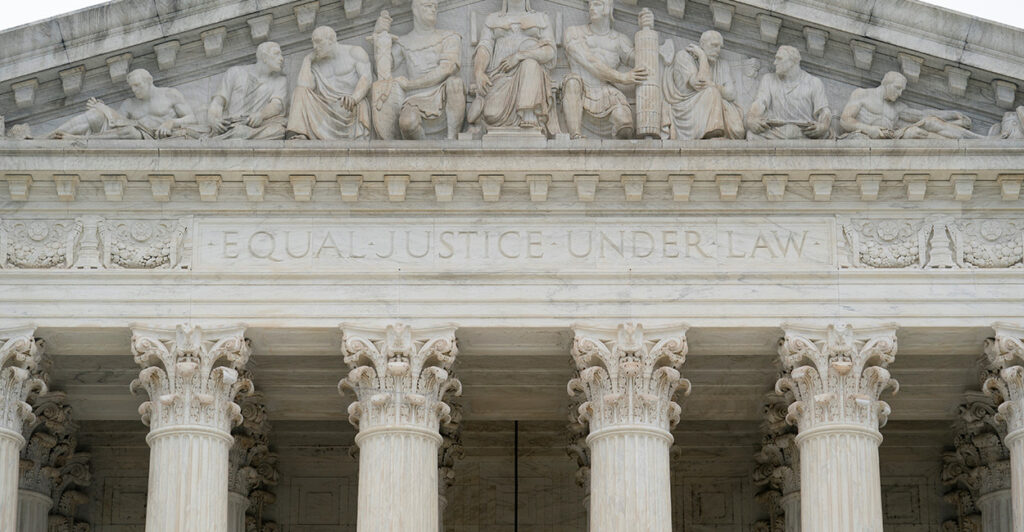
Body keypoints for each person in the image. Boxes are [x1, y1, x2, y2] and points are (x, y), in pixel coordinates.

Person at [371, 0, 466, 140]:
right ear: (415, 10)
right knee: (407, 122)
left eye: (435, 7)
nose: (433, 10)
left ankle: (452, 141)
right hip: (415, 98)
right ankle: (421, 154)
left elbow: (447, 68)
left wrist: (410, 84)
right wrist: (380, 36)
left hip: (442, 93)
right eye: (428, 6)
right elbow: (382, 70)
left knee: (455, 83)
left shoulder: (450, 37)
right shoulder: (404, 42)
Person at [468, 0, 558, 136]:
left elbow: (550, 51)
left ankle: (529, 115)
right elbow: (484, 47)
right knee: (491, 114)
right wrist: (479, 72)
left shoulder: (541, 18)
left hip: (531, 78)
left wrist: (519, 56)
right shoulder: (492, 19)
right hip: (499, 77)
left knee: (530, 64)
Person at [561, 0, 649, 139]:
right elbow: (590, 62)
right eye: (590, 4)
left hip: (607, 92)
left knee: (625, 125)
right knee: (572, 82)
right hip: (580, 90)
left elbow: (643, 61)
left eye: (597, 4)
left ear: (608, 7)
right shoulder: (574, 33)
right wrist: (623, 77)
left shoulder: (619, 40)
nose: (591, 8)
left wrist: (647, 29)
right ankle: (575, 136)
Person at [48, 69, 201, 139]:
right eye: (132, 87)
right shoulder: (130, 104)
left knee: (129, 132)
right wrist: (103, 109)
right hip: (136, 131)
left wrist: (171, 123)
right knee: (95, 115)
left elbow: (192, 118)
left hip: (152, 135)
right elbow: (116, 122)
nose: (134, 90)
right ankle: (50, 137)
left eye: (138, 85)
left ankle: (80, 139)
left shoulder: (170, 94)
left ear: (149, 81)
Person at [840, 71, 984, 140]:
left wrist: (952, 114)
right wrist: (869, 129)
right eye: (897, 88)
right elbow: (845, 119)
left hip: (893, 136)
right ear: (886, 83)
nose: (900, 93)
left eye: (902, 90)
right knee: (915, 133)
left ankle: (977, 140)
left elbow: (923, 114)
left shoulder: (896, 107)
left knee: (931, 122)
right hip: (868, 136)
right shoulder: (862, 94)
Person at [286, 26, 372, 140]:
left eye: (318, 42)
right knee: (299, 91)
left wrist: (354, 98)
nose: (314, 47)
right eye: (313, 43)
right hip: (324, 108)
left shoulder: (354, 52)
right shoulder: (316, 63)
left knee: (348, 105)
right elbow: (304, 86)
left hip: (348, 106)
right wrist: (307, 60)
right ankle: (301, 133)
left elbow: (366, 78)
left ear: (331, 40)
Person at [662, 30, 744, 140]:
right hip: (686, 109)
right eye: (714, 45)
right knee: (712, 92)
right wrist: (702, 57)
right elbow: (700, 83)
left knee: (738, 130)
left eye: (720, 47)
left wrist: (713, 85)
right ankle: (713, 132)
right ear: (702, 44)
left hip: (709, 106)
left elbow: (731, 94)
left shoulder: (722, 64)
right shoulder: (683, 56)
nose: (718, 51)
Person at [746, 45, 832, 140]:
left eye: (779, 59)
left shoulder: (814, 82)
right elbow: (760, 103)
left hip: (804, 133)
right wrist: (751, 119)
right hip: (776, 132)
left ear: (792, 61)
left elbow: (824, 111)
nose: (775, 63)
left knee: (827, 135)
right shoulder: (768, 79)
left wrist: (823, 126)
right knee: (751, 135)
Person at [207, 41, 288, 140]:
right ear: (264, 57)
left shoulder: (280, 80)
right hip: (233, 124)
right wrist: (213, 120)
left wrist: (261, 115)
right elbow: (217, 103)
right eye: (276, 54)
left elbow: (277, 105)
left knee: (279, 131)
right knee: (239, 131)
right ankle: (231, 135)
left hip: (257, 127)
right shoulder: (235, 72)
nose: (281, 59)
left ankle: (234, 136)